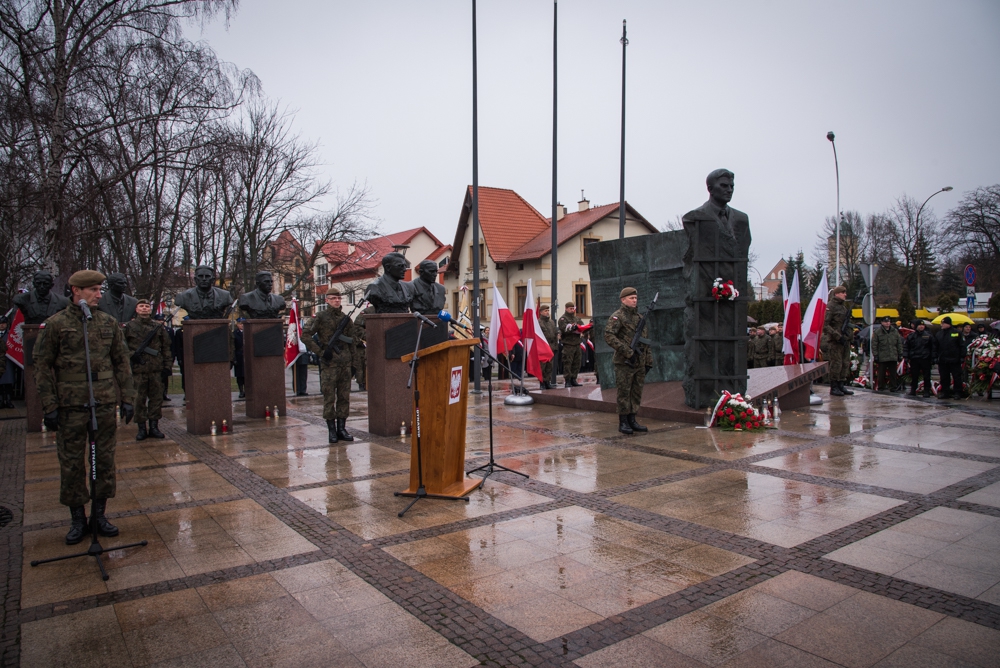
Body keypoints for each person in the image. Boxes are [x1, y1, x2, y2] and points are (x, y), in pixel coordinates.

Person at [33, 270, 135, 545]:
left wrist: (127, 398)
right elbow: (41, 366)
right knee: (72, 464)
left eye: (100, 290)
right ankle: (78, 518)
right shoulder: (56, 324)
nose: (99, 295)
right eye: (93, 290)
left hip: (102, 402)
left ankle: (99, 515)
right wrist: (50, 405)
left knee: (103, 461)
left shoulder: (107, 322)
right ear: (76, 291)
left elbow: (121, 362)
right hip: (70, 405)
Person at [303, 288, 356, 443]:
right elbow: (305, 335)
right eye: (333, 298)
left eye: (338, 298)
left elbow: (352, 342)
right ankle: (331, 430)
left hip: (345, 363)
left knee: (344, 397)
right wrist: (320, 352)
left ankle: (342, 428)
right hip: (329, 363)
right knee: (329, 397)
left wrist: (354, 364)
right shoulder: (320, 317)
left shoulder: (346, 318)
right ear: (326, 300)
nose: (336, 301)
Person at [604, 287, 652, 434]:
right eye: (631, 298)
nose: (634, 300)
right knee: (624, 392)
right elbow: (609, 336)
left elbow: (644, 341)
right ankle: (623, 422)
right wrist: (627, 351)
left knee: (636, 392)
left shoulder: (639, 317)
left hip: (639, 361)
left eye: (635, 298)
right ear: (623, 299)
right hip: (624, 362)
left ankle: (633, 419)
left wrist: (648, 360)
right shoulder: (617, 317)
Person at [125, 298, 171, 439]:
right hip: (139, 370)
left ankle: (154, 426)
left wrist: (167, 366)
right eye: (141, 306)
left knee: (156, 399)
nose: (144, 308)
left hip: (156, 369)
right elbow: (121, 347)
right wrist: (133, 355)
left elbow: (166, 347)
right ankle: (141, 428)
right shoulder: (129, 327)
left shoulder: (157, 326)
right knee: (139, 400)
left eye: (146, 306)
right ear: (136, 309)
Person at [822, 286, 854, 397]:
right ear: (836, 294)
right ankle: (834, 386)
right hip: (835, 341)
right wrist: (837, 336)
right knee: (836, 364)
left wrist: (849, 337)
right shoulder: (830, 306)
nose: (845, 294)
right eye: (842, 292)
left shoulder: (844, 308)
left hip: (844, 340)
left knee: (845, 363)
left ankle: (841, 384)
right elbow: (825, 325)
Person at [903, 321, 936, 397]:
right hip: (914, 359)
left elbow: (933, 348)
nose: (921, 327)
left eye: (923, 325)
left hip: (925, 359)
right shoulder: (911, 336)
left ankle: (926, 391)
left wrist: (933, 358)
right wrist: (906, 357)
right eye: (920, 325)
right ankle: (913, 390)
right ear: (916, 326)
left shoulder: (928, 336)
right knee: (914, 376)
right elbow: (906, 347)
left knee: (926, 376)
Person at [935, 316, 964, 399]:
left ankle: (957, 392)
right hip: (943, 360)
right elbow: (936, 346)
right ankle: (945, 392)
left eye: (943, 323)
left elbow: (962, 346)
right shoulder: (939, 334)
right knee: (944, 377)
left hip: (954, 359)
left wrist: (962, 356)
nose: (942, 325)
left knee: (957, 377)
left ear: (948, 324)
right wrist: (935, 356)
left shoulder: (957, 333)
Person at [872, 316, 903, 391]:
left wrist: (900, 354)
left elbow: (899, 343)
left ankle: (893, 387)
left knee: (893, 373)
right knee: (881, 373)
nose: (887, 323)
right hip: (882, 356)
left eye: (888, 322)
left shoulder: (894, 331)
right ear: (882, 323)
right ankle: (881, 387)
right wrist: (875, 355)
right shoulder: (877, 332)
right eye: (885, 322)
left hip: (893, 355)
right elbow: (874, 344)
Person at [558, 302, 584, 387]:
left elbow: (582, 326)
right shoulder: (563, 319)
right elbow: (564, 329)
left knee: (577, 362)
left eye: (573, 308)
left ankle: (574, 379)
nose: (572, 310)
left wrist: (582, 328)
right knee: (568, 363)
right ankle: (568, 380)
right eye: (570, 308)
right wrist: (572, 328)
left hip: (577, 343)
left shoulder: (577, 318)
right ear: (566, 308)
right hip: (568, 344)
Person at [353, 305, 374, 391]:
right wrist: (368, 336)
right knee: (361, 368)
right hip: (364, 347)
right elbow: (356, 327)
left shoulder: (391, 308)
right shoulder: (369, 311)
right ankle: (362, 384)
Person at [537, 304, 558, 389]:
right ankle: (542, 383)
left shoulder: (551, 322)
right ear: (541, 312)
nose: (547, 312)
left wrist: (556, 346)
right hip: (543, 348)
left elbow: (555, 333)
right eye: (545, 311)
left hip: (551, 347)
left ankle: (547, 382)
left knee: (549, 366)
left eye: (548, 310)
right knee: (543, 366)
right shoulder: (538, 322)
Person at [233, 318, 246, 398]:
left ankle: (247, 390)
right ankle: (241, 391)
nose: (242, 325)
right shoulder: (235, 333)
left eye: (243, 324)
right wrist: (234, 358)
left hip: (247, 355)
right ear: (237, 325)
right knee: (239, 375)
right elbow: (233, 346)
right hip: (239, 356)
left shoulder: (248, 332)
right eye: (240, 324)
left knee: (247, 375)